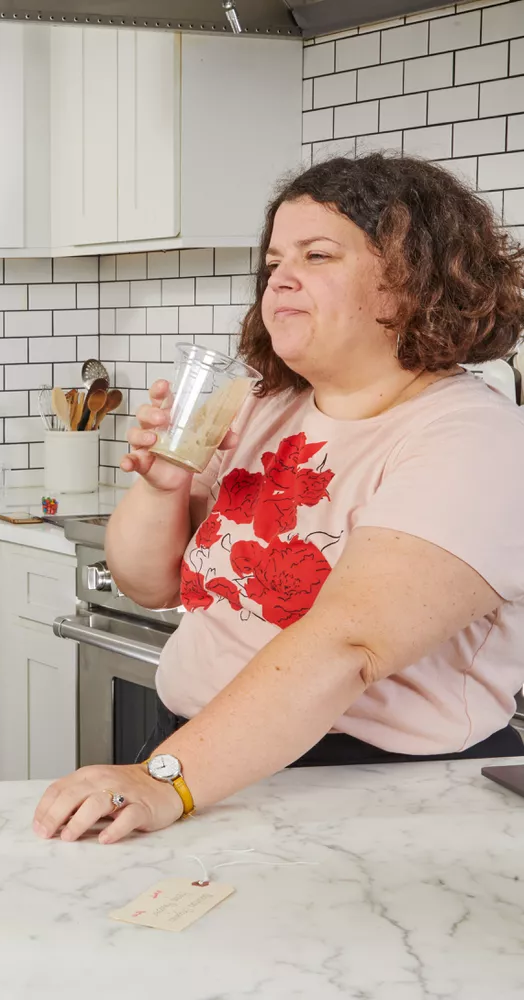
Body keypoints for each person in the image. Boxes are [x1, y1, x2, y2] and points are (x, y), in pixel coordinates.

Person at [35, 153, 524, 844]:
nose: (281, 279)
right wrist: (162, 485)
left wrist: (164, 779)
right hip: (211, 760)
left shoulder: (472, 438)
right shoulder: (262, 406)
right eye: (273, 262)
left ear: (414, 280)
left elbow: (348, 644)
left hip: (376, 797)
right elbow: (146, 583)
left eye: (317, 255)